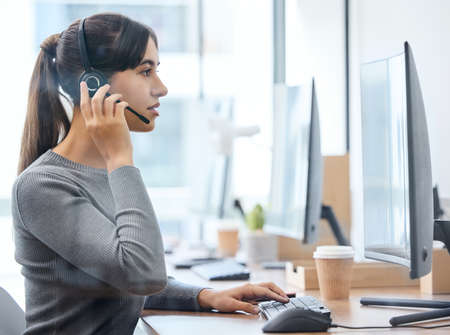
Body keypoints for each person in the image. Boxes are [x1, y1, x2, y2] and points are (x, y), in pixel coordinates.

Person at [11, 13, 289, 334]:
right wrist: (119, 157)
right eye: (146, 71)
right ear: (95, 85)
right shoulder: (43, 186)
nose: (162, 88)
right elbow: (141, 273)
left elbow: (122, 278)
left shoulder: (104, 174)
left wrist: (205, 295)